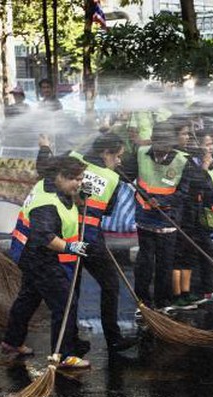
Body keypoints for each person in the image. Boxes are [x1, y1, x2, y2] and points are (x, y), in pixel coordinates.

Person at [36, 132, 137, 353]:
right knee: (110, 284)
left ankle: (72, 341)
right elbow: (107, 211)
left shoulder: (72, 159)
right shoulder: (112, 179)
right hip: (90, 240)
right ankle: (113, 338)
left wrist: (44, 147)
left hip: (67, 237)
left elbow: (44, 169)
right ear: (106, 153)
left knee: (73, 290)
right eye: (117, 156)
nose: (119, 161)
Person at [2, 156, 91, 369]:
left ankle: (12, 341)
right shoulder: (46, 204)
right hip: (39, 256)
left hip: (28, 253)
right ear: (59, 177)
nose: (78, 183)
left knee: (29, 298)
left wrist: (80, 196)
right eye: (74, 179)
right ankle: (63, 355)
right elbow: (45, 237)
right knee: (65, 303)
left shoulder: (48, 184)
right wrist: (70, 247)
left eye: (81, 179)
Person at [123, 120, 193, 310]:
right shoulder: (140, 154)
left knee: (165, 263)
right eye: (159, 146)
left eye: (167, 146)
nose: (161, 151)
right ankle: (142, 301)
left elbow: (183, 193)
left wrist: (162, 202)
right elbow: (126, 175)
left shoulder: (182, 161)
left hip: (168, 220)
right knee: (145, 262)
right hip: (144, 219)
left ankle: (163, 302)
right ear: (153, 140)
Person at [171, 129, 213, 307]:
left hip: (199, 214)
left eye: (212, 144)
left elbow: (210, 189)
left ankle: (205, 291)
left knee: (204, 252)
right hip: (186, 216)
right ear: (198, 145)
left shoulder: (207, 163)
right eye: (207, 144)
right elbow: (196, 183)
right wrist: (205, 166)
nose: (211, 148)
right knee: (184, 256)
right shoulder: (191, 163)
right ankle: (178, 295)